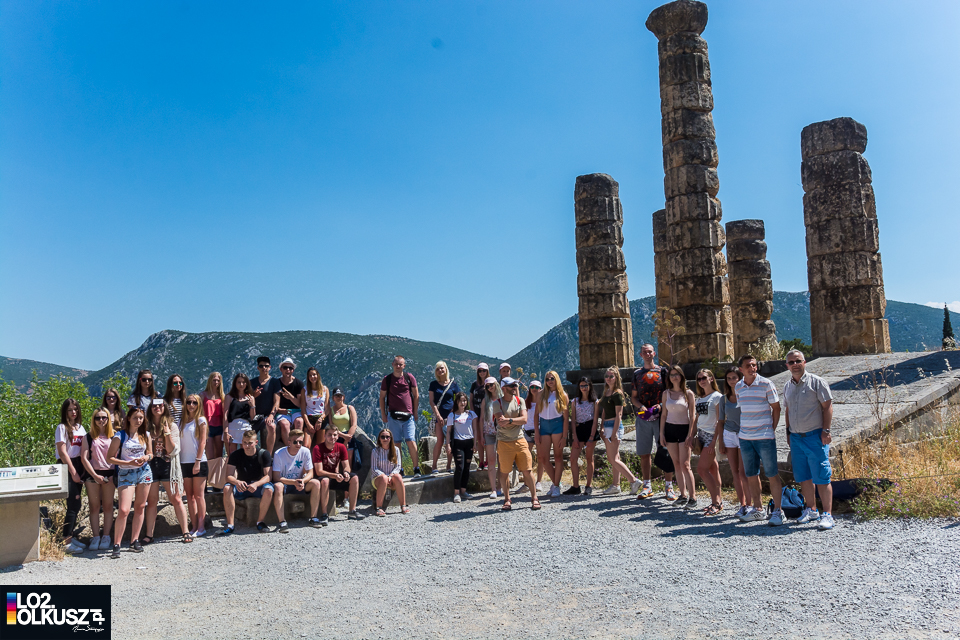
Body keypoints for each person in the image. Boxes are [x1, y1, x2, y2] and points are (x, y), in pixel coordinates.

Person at [783, 350, 835, 530]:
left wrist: (826, 430)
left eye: (798, 361)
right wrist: (788, 433)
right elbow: (788, 410)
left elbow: (827, 406)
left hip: (815, 435)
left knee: (821, 475)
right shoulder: (787, 386)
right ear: (787, 366)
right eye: (791, 362)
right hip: (796, 437)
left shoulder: (817, 382)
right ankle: (811, 509)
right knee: (803, 476)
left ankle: (827, 514)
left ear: (804, 362)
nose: (795, 364)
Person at [735, 354, 784, 525]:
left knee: (772, 473)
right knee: (751, 474)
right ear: (741, 369)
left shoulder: (766, 384)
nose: (752, 368)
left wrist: (771, 429)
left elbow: (776, 408)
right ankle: (758, 509)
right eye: (748, 365)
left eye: (754, 365)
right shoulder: (739, 386)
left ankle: (778, 511)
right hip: (745, 437)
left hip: (764, 437)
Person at [631, 343, 676, 500]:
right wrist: (641, 407)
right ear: (641, 355)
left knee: (665, 451)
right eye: (645, 352)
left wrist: (661, 406)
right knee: (644, 453)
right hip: (643, 417)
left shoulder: (663, 372)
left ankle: (669, 486)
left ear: (654, 353)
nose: (647, 354)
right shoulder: (637, 374)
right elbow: (634, 397)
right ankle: (647, 486)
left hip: (662, 417)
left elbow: (670, 393)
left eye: (650, 351)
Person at [106, 407, 153, 558]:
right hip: (126, 473)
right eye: (135, 418)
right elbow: (110, 458)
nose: (138, 421)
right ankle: (117, 544)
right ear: (128, 419)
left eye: (141, 418)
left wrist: (146, 458)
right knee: (124, 509)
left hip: (144, 472)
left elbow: (150, 453)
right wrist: (128, 462)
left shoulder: (146, 435)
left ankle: (134, 541)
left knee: (140, 506)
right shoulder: (120, 436)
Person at [143, 399, 191, 543]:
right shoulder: (146, 426)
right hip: (151, 465)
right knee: (152, 501)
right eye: (154, 405)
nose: (157, 407)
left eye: (160, 405)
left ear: (164, 407)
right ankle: (149, 535)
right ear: (150, 408)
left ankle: (185, 531)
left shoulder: (172, 425)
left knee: (176, 498)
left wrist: (167, 433)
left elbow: (172, 450)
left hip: (167, 464)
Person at [491, 377, 540, 511]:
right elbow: (501, 422)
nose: (515, 387)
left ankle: (534, 498)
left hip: (520, 440)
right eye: (512, 385)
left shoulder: (520, 400)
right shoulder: (497, 403)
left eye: (515, 385)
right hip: (504, 442)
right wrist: (514, 420)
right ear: (504, 388)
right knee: (504, 472)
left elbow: (524, 419)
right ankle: (507, 499)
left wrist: (509, 420)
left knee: (527, 470)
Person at [220, 430, 275, 535]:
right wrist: (237, 482)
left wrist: (256, 484)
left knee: (269, 489)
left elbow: (268, 476)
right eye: (245, 443)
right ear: (242, 442)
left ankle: (260, 522)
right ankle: (230, 525)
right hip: (242, 486)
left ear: (256, 442)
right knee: (227, 488)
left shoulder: (264, 454)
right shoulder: (236, 455)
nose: (247, 446)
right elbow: (228, 476)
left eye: (250, 443)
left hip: (258, 486)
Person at [598, 367, 642, 497]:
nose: (608, 378)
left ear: (616, 378)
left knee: (612, 458)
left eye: (611, 376)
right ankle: (615, 485)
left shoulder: (617, 394)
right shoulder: (606, 392)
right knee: (615, 457)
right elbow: (604, 411)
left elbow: (619, 414)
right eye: (607, 376)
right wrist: (601, 426)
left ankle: (633, 480)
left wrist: (614, 432)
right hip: (607, 425)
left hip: (614, 426)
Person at [659, 366, 698, 508]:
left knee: (685, 464)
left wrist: (690, 435)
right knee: (676, 463)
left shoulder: (688, 393)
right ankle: (683, 495)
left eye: (677, 374)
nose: (674, 377)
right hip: (670, 429)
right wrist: (661, 433)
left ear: (681, 376)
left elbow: (692, 416)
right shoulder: (666, 394)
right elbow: (664, 415)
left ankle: (693, 497)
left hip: (684, 429)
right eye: (672, 375)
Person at [312, 425, 365, 524]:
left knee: (354, 478)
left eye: (335, 435)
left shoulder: (341, 447)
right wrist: (335, 475)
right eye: (330, 435)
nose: (332, 437)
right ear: (324, 436)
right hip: (322, 478)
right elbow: (319, 471)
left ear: (337, 436)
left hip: (335, 476)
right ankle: (324, 514)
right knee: (325, 480)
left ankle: (352, 511)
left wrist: (346, 472)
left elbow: (346, 465)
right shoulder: (318, 448)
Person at [271, 429, 321, 532]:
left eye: (300, 442)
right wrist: (293, 482)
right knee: (278, 486)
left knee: (316, 483)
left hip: (299, 482)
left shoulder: (305, 451)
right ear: (289, 442)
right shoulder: (279, 453)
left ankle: (313, 518)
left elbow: (310, 473)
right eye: (295, 442)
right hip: (285, 483)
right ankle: (282, 522)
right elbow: (276, 477)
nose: (298, 444)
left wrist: (302, 481)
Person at [80, 408, 116, 552]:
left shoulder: (114, 436)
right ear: (93, 420)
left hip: (110, 474)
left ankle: (106, 536)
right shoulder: (88, 437)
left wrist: (114, 473)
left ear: (108, 419)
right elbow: (84, 458)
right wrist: (94, 475)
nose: (101, 420)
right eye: (97, 418)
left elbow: (118, 456)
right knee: (94, 506)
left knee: (108, 505)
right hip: (92, 474)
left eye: (104, 417)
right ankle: (95, 536)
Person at [379, 355, 421, 477]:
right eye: (396, 364)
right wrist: (383, 414)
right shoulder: (387, 379)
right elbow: (382, 397)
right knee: (396, 444)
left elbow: (416, 396)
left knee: (411, 441)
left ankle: (416, 468)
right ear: (392, 364)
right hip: (393, 416)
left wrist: (415, 412)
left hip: (408, 416)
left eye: (400, 364)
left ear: (404, 366)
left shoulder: (409, 378)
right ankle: (399, 469)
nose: (398, 366)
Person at [55, 398, 87, 554]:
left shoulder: (81, 428)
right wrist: (73, 472)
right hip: (67, 465)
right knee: (73, 504)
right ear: (65, 412)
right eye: (70, 410)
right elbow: (62, 452)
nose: (73, 412)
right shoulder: (61, 428)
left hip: (79, 464)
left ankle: (70, 536)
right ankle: (66, 542)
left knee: (77, 503)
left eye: (75, 409)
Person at [717, 367, 750, 518]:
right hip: (729, 434)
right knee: (735, 472)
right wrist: (721, 441)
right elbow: (721, 421)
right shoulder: (723, 399)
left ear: (740, 378)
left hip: (744, 434)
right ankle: (742, 504)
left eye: (734, 378)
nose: (732, 381)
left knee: (743, 472)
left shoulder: (745, 395)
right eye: (729, 378)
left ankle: (750, 503)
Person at [694, 369, 724, 515]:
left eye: (704, 378)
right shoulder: (700, 399)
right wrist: (691, 436)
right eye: (699, 379)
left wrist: (714, 441)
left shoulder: (717, 397)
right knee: (712, 468)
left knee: (701, 469)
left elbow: (720, 420)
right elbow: (696, 419)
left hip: (711, 435)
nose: (701, 381)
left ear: (711, 378)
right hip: (701, 434)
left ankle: (716, 502)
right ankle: (718, 500)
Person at [535, 370, 570, 498]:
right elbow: (536, 415)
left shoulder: (563, 395)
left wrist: (565, 436)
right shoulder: (541, 394)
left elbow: (566, 418)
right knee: (543, 458)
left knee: (558, 457)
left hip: (557, 425)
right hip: (544, 426)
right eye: (547, 379)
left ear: (557, 380)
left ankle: (555, 486)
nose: (549, 381)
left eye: (552, 378)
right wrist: (537, 432)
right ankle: (557, 482)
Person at [179, 394, 209, 536]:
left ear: (198, 405)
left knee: (199, 496)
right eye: (189, 402)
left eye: (194, 403)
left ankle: (202, 527)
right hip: (184, 461)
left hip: (199, 461)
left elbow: (203, 442)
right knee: (189, 497)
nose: (191, 405)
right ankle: (194, 526)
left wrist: (197, 461)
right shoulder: (181, 422)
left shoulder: (201, 420)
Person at [567, 376, 599, 496]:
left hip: (590, 428)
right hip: (579, 428)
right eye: (581, 386)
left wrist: (591, 437)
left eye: (586, 385)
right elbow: (573, 419)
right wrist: (574, 437)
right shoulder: (575, 401)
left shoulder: (595, 401)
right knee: (573, 458)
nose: (584, 388)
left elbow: (595, 420)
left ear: (590, 386)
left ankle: (588, 485)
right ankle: (576, 485)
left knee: (589, 458)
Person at [429, 360, 461, 474]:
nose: (440, 370)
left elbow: (459, 398)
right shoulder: (433, 384)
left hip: (451, 417)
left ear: (446, 369)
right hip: (439, 417)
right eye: (437, 369)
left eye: (442, 368)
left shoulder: (453, 384)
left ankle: (449, 466)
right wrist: (438, 415)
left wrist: (453, 412)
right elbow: (432, 401)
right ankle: (434, 466)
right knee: (440, 441)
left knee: (450, 441)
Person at [445, 393, 477, 503]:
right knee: (459, 467)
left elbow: (475, 429)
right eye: (460, 401)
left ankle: (463, 491)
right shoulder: (452, 416)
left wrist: (475, 443)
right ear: (457, 402)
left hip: (469, 442)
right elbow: (448, 431)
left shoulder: (471, 414)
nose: (462, 403)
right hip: (458, 443)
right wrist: (447, 445)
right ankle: (456, 493)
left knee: (467, 467)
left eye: (464, 400)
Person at [371, 429, 410, 516]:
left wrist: (391, 476)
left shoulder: (396, 450)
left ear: (390, 438)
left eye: (387, 437)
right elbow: (374, 469)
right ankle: (379, 508)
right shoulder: (375, 451)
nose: (385, 439)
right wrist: (385, 476)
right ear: (379, 439)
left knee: (398, 477)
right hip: (378, 478)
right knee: (384, 478)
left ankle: (403, 505)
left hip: (392, 477)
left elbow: (398, 466)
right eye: (383, 437)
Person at [272, 358, 306, 448]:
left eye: (290, 368)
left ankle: (297, 446)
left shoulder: (298, 383)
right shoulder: (277, 383)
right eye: (285, 367)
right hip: (282, 411)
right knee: (285, 424)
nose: (288, 370)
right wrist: (279, 410)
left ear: (293, 370)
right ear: (281, 369)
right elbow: (275, 401)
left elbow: (300, 404)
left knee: (299, 421)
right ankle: (290, 448)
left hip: (296, 410)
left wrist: (291, 397)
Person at [251, 356, 280, 452]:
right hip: (254, 416)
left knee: (270, 427)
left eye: (266, 366)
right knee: (247, 433)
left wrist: (271, 415)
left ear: (270, 367)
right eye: (261, 366)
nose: (264, 368)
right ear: (258, 368)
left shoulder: (275, 382)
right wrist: (254, 396)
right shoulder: (252, 382)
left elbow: (277, 401)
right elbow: (247, 400)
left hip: (267, 415)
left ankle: (268, 456)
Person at [479, 377, 503, 499]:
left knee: (502, 461)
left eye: (491, 385)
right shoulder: (485, 400)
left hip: (502, 433)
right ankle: (493, 489)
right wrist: (481, 435)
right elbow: (482, 419)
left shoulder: (503, 399)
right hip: (489, 433)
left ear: (496, 384)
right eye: (487, 386)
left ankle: (500, 487)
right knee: (492, 461)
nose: (490, 387)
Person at [224, 373, 256, 455]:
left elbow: (252, 417)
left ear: (247, 383)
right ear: (235, 383)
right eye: (239, 382)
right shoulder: (229, 397)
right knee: (232, 453)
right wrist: (226, 431)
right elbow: (225, 414)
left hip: (245, 427)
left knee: (245, 452)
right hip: (232, 427)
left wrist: (252, 405)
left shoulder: (250, 397)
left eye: (243, 382)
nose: (241, 384)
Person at [522, 380, 544, 493]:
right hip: (527, 430)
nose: (534, 389)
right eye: (532, 387)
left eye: (536, 387)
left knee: (540, 457)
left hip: (540, 430)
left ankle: (538, 481)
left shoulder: (543, 402)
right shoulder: (526, 402)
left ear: (540, 389)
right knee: (526, 457)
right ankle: (527, 483)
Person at [470, 364, 490, 470]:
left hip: (487, 415)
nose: (482, 372)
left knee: (487, 438)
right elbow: (471, 400)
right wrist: (473, 413)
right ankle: (481, 462)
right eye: (480, 370)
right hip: (476, 414)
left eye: (484, 370)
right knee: (479, 438)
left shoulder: (490, 383)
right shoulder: (474, 384)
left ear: (487, 371)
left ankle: (488, 461)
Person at [303, 367, 329, 450]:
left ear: (318, 375)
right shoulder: (304, 390)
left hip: (321, 418)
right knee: (306, 446)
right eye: (310, 375)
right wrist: (308, 424)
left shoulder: (325, 389)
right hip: (309, 418)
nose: (312, 377)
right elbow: (303, 409)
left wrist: (320, 419)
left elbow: (327, 408)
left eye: (314, 374)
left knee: (320, 447)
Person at [202, 371, 226, 462]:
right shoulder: (203, 395)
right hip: (207, 427)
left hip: (219, 427)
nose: (216, 382)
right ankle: (210, 472)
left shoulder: (222, 396)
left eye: (218, 380)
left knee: (219, 456)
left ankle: (218, 472)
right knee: (210, 457)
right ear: (210, 381)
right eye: (214, 380)